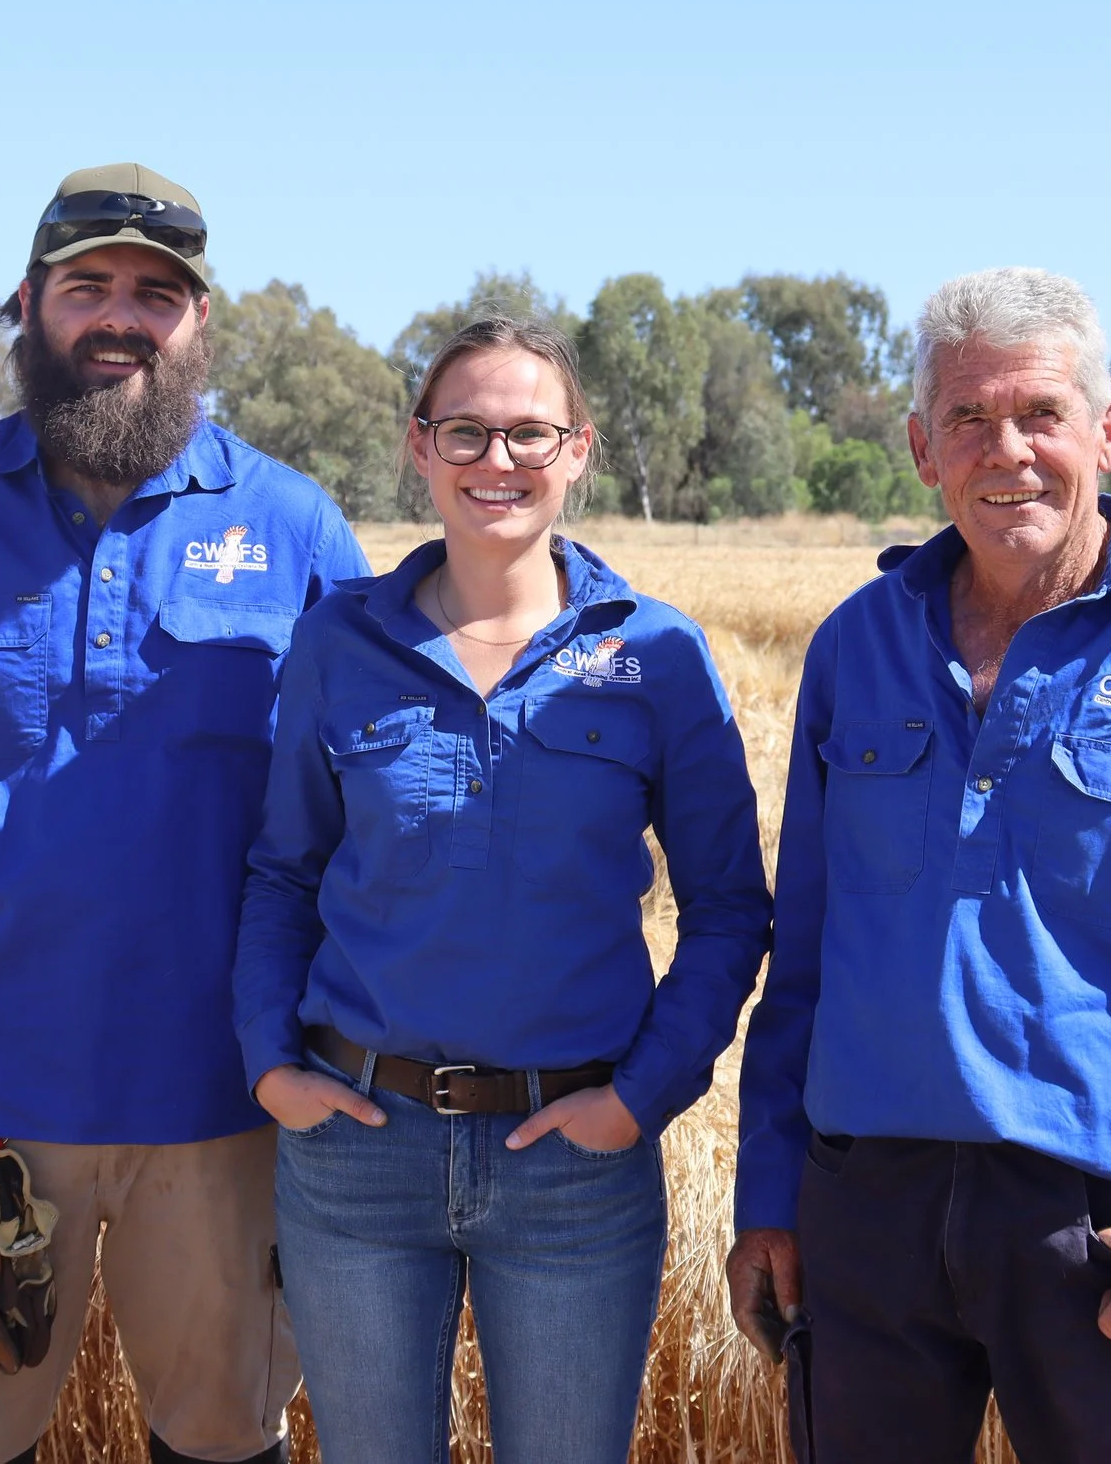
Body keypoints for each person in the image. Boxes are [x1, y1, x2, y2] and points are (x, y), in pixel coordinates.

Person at [0, 164, 369, 1464]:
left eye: (156, 293)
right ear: (28, 301)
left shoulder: (292, 526)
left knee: (225, 1434)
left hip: (224, 1089)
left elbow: (355, 785)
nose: (120, 316)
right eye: (88, 285)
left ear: (201, 320)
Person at [728, 267, 1111, 1464]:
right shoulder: (857, 646)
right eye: (966, 417)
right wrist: (768, 1194)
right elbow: (802, 956)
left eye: (1039, 414)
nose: (1004, 450)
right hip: (868, 1214)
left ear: (1105, 431)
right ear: (922, 447)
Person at [233, 314, 774, 1464]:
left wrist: (640, 1097)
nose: (498, 459)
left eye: (529, 432)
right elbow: (284, 871)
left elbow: (730, 906)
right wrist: (271, 1064)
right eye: (466, 431)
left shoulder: (657, 655)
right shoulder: (338, 642)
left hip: (574, 1164)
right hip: (356, 1153)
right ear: (419, 446)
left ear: (577, 450)